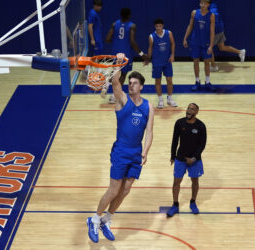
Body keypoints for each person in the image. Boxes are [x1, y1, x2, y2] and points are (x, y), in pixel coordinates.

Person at [87, 53, 154, 243]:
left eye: (134, 83)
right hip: (121, 151)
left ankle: (107, 219)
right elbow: (115, 81)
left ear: (141, 86)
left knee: (126, 190)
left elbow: (149, 131)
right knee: (114, 189)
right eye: (129, 82)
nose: (130, 84)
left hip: (135, 153)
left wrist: (145, 151)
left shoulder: (149, 107)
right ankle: (93, 219)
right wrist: (118, 61)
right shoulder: (123, 100)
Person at [167, 103, 206, 217]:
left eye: (192, 109)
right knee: (176, 182)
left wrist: (193, 158)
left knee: (195, 182)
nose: (189, 110)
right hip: (181, 158)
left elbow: (202, 145)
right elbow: (175, 140)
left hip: (195, 160)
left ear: (196, 112)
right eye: (188, 108)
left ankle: (193, 202)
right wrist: (172, 155)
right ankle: (175, 204)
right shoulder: (179, 123)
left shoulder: (201, 126)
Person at [102, 8, 146, 104]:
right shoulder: (131, 26)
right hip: (126, 53)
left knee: (115, 71)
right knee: (122, 75)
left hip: (115, 52)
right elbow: (132, 42)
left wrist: (116, 43)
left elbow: (107, 38)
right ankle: (114, 96)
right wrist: (142, 54)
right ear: (129, 15)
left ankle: (106, 84)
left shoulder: (114, 24)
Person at [144, 18, 177, 109]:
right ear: (155, 27)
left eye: (160, 26)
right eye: (156, 26)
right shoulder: (151, 36)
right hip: (156, 62)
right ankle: (160, 100)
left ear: (163, 26)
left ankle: (170, 98)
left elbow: (173, 44)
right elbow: (150, 48)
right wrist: (148, 59)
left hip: (167, 61)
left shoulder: (169, 33)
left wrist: (172, 55)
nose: (158, 28)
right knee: (158, 81)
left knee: (169, 80)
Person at [183, 0, 216, 91]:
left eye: (205, 3)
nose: (202, 5)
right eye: (201, 3)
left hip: (206, 43)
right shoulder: (194, 13)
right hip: (195, 42)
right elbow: (190, 26)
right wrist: (185, 38)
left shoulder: (211, 16)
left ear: (209, 4)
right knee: (196, 61)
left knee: (206, 62)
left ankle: (208, 82)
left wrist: (211, 45)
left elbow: (212, 32)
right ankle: (197, 81)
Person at [209, 2, 246, 72]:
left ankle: (213, 66)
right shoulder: (213, 5)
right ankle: (240, 52)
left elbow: (213, 19)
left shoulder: (211, 9)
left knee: (209, 47)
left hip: (216, 31)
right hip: (220, 30)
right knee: (222, 47)